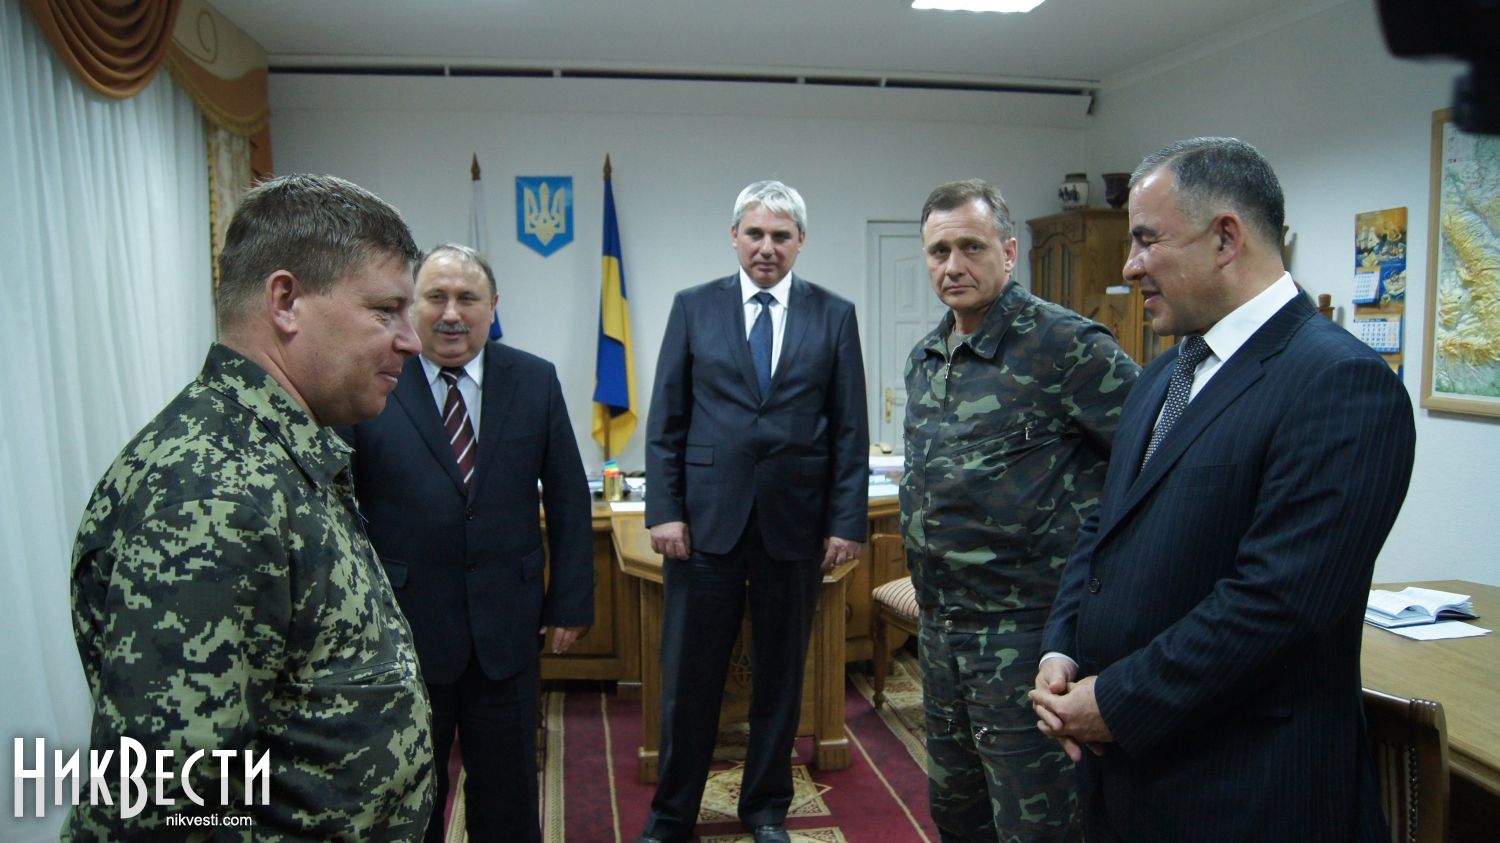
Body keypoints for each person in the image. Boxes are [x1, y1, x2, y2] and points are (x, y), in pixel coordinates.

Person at [1029, 137, 1417, 842]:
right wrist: (1063, 649)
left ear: (1226, 238)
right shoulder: (1162, 375)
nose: (1129, 265)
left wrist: (1115, 701)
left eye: (1146, 240)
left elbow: (1275, 604)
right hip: (1129, 782)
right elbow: (1104, 526)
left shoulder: (1339, 383)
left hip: (1244, 793)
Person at [68, 174, 434, 839]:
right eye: (387, 309)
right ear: (286, 301)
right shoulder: (211, 494)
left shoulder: (273, 451)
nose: (412, 338)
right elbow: (157, 809)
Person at [902, 179, 1139, 843]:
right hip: (941, 632)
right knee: (958, 813)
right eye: (939, 251)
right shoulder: (927, 358)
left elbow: (1156, 459)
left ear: (1008, 253)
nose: (953, 265)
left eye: (971, 247)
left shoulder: (1068, 346)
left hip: (1027, 636)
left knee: (1037, 823)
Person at [635, 180, 869, 843]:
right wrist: (665, 509)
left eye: (781, 236)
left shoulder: (834, 314)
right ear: (734, 236)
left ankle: (765, 808)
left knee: (781, 677)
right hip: (704, 526)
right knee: (691, 678)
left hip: (794, 527)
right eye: (756, 234)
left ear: (800, 242)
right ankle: (672, 813)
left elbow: (849, 428)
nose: (767, 247)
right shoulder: (693, 307)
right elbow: (666, 419)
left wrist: (846, 521)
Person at [343, 243, 594, 843]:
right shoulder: (373, 377)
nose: (451, 313)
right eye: (436, 297)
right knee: (411, 793)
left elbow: (567, 495)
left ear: (493, 306)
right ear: (412, 304)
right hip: (404, 629)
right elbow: (344, 502)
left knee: (508, 790)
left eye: (467, 298)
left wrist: (570, 602)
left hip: (507, 627)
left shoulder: (534, 379)